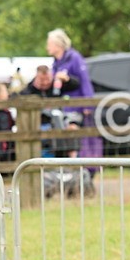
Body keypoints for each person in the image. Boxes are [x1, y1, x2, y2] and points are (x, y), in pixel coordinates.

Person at [46, 29, 102, 161]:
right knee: (65, 135)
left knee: (76, 134)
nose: (47, 47)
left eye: (49, 44)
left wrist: (88, 103)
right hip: (63, 106)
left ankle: (80, 164)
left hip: (76, 106)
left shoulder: (74, 57)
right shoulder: (56, 63)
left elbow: (84, 80)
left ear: (58, 44)